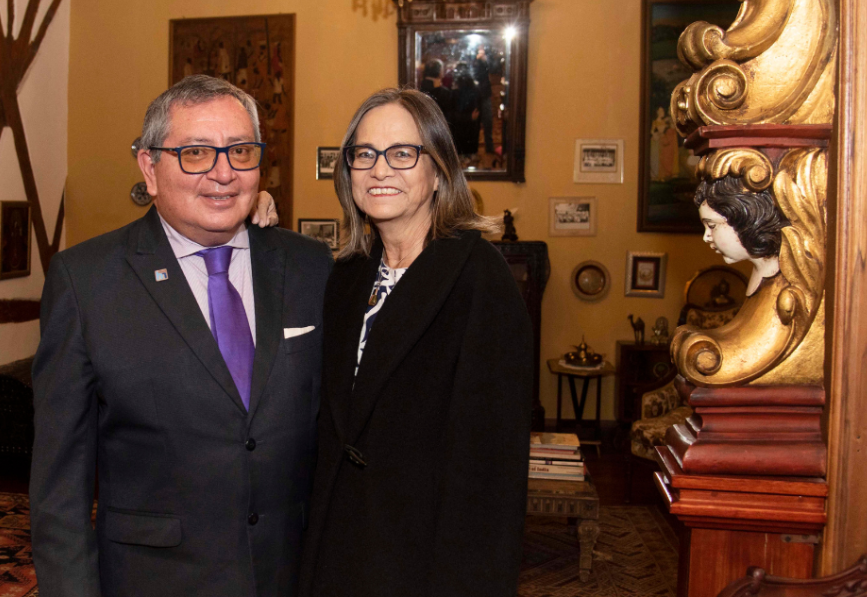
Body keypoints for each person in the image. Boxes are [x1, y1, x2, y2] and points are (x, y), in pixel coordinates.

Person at [30, 75, 332, 597]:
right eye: (195, 153)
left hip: (291, 573)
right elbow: (60, 487)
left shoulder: (310, 266)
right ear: (150, 168)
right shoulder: (86, 282)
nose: (223, 173)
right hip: (154, 580)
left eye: (240, 151)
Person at [298, 88, 533, 597]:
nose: (379, 169)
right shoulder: (346, 277)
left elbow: (492, 471)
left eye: (402, 153)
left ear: (439, 171)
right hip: (339, 547)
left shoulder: (480, 279)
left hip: (424, 558)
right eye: (364, 154)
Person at [695, 173, 789, 296]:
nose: (706, 237)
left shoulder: (784, 290)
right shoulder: (762, 274)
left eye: (712, 226)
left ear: (747, 220)